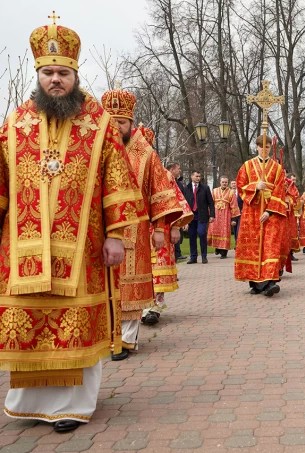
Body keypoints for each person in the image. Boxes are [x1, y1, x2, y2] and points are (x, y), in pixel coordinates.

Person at [0, 15, 142, 432]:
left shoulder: (98, 125)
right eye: (48, 73)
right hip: (22, 251)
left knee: (76, 322)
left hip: (83, 252)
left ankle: (72, 406)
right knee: (29, 321)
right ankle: (29, 402)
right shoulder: (14, 125)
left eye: (63, 73)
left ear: (75, 75)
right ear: (38, 74)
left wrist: (116, 235)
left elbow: (117, 182)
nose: (56, 80)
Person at [101, 88, 183, 360]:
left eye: (120, 123)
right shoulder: (99, 148)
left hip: (136, 229)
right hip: (104, 228)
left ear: (131, 123)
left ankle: (126, 339)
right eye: (111, 123)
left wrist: (161, 228)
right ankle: (111, 337)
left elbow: (161, 191)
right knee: (107, 285)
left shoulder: (145, 153)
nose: (115, 128)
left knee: (131, 285)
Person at [140, 128, 194, 326]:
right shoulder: (125, 168)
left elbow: (176, 201)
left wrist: (176, 226)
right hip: (136, 230)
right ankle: (139, 307)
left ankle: (153, 308)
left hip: (159, 227)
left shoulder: (164, 175)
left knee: (158, 271)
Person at [234, 135, 287, 296]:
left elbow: (280, 191)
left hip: (270, 213)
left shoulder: (277, 168)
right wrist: (255, 186)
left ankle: (269, 282)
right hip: (252, 211)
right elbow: (240, 186)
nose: (264, 150)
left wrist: (269, 211)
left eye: (267, 147)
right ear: (256, 147)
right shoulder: (247, 166)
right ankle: (256, 283)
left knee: (270, 245)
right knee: (253, 246)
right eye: (261, 147)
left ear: (271, 148)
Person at [184, 171, 215, 264]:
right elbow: (184, 203)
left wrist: (212, 215)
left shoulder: (205, 188)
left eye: (199, 176)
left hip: (202, 215)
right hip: (191, 216)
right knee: (192, 236)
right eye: (196, 176)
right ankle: (193, 257)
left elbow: (211, 203)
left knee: (201, 233)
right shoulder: (186, 188)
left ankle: (204, 256)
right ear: (191, 176)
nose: (198, 178)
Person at [208, 176, 240, 259]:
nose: (224, 183)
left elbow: (234, 206)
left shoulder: (231, 192)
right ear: (220, 182)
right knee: (216, 231)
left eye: (226, 182)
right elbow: (211, 203)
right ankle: (217, 248)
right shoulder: (214, 191)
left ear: (228, 183)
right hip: (216, 215)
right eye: (223, 182)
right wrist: (210, 215)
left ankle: (224, 252)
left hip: (226, 215)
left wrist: (233, 219)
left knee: (225, 232)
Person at [167, 162, 187, 261]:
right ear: (172, 169)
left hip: (176, 215)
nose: (180, 170)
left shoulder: (178, 183)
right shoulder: (165, 180)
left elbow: (182, 200)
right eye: (178, 168)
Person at [284, 174, 301, 261]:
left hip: (290, 216)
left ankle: (290, 253)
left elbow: (297, 200)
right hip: (281, 216)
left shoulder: (293, 187)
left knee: (291, 234)